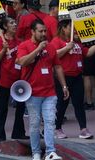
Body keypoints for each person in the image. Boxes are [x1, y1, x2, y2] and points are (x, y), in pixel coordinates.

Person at [16, 19, 69, 160]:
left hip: (50, 92)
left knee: (50, 122)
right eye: (41, 31)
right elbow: (22, 62)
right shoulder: (24, 45)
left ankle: (50, 151)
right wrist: (38, 49)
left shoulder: (50, 47)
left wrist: (64, 86)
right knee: (34, 123)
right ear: (33, 32)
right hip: (32, 93)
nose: (44, 33)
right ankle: (36, 152)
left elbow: (57, 66)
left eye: (45, 31)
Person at [50, 19, 95, 140]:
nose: (74, 30)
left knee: (79, 104)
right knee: (62, 104)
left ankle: (83, 129)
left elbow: (87, 53)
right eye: (71, 27)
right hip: (63, 77)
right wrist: (67, 48)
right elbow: (53, 55)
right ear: (63, 28)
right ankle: (57, 128)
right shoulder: (56, 41)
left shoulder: (76, 42)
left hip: (77, 76)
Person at [0, 17, 27, 142]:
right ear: (5, 26)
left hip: (18, 78)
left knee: (21, 106)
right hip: (5, 79)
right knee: (3, 107)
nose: (15, 25)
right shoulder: (0, 40)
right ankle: (0, 136)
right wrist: (3, 49)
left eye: (15, 22)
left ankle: (18, 132)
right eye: (11, 23)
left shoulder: (19, 41)